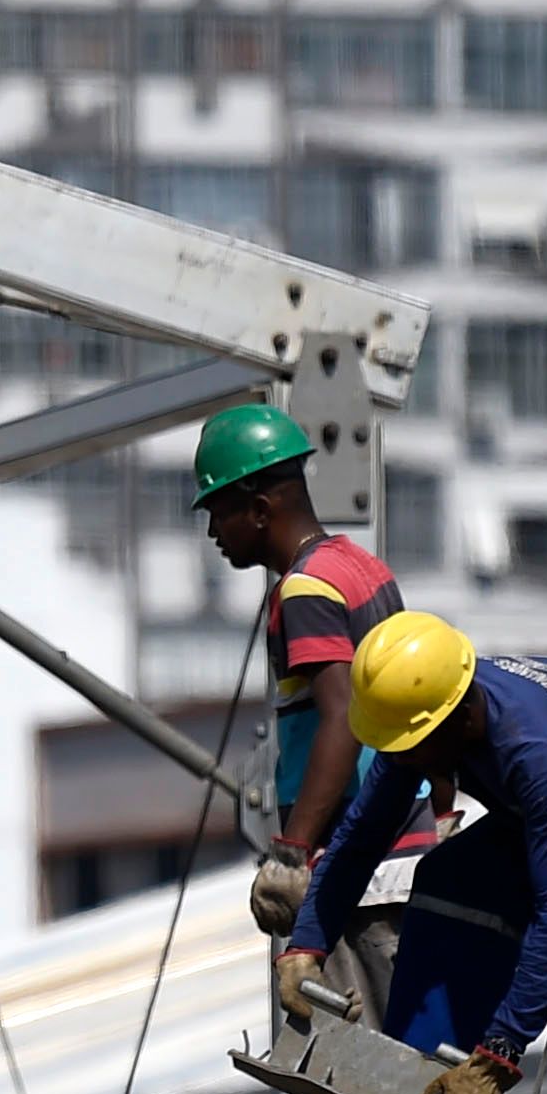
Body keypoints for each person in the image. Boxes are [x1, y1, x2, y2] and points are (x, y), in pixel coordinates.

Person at [271, 611, 547, 1094]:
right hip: (543, 814)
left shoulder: (539, 758)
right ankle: (416, 1073)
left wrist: (500, 1056)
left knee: (495, 887)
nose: (402, 764)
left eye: (409, 750)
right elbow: (360, 838)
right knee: (446, 877)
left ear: (461, 717)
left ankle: (472, 1066)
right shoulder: (425, 713)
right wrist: (305, 948)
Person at [192, 399, 415, 959]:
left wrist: (294, 852)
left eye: (219, 511)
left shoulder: (305, 591)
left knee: (357, 1038)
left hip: (359, 866)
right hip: (399, 842)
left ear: (261, 509)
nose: (214, 531)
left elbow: (343, 718)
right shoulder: (362, 568)